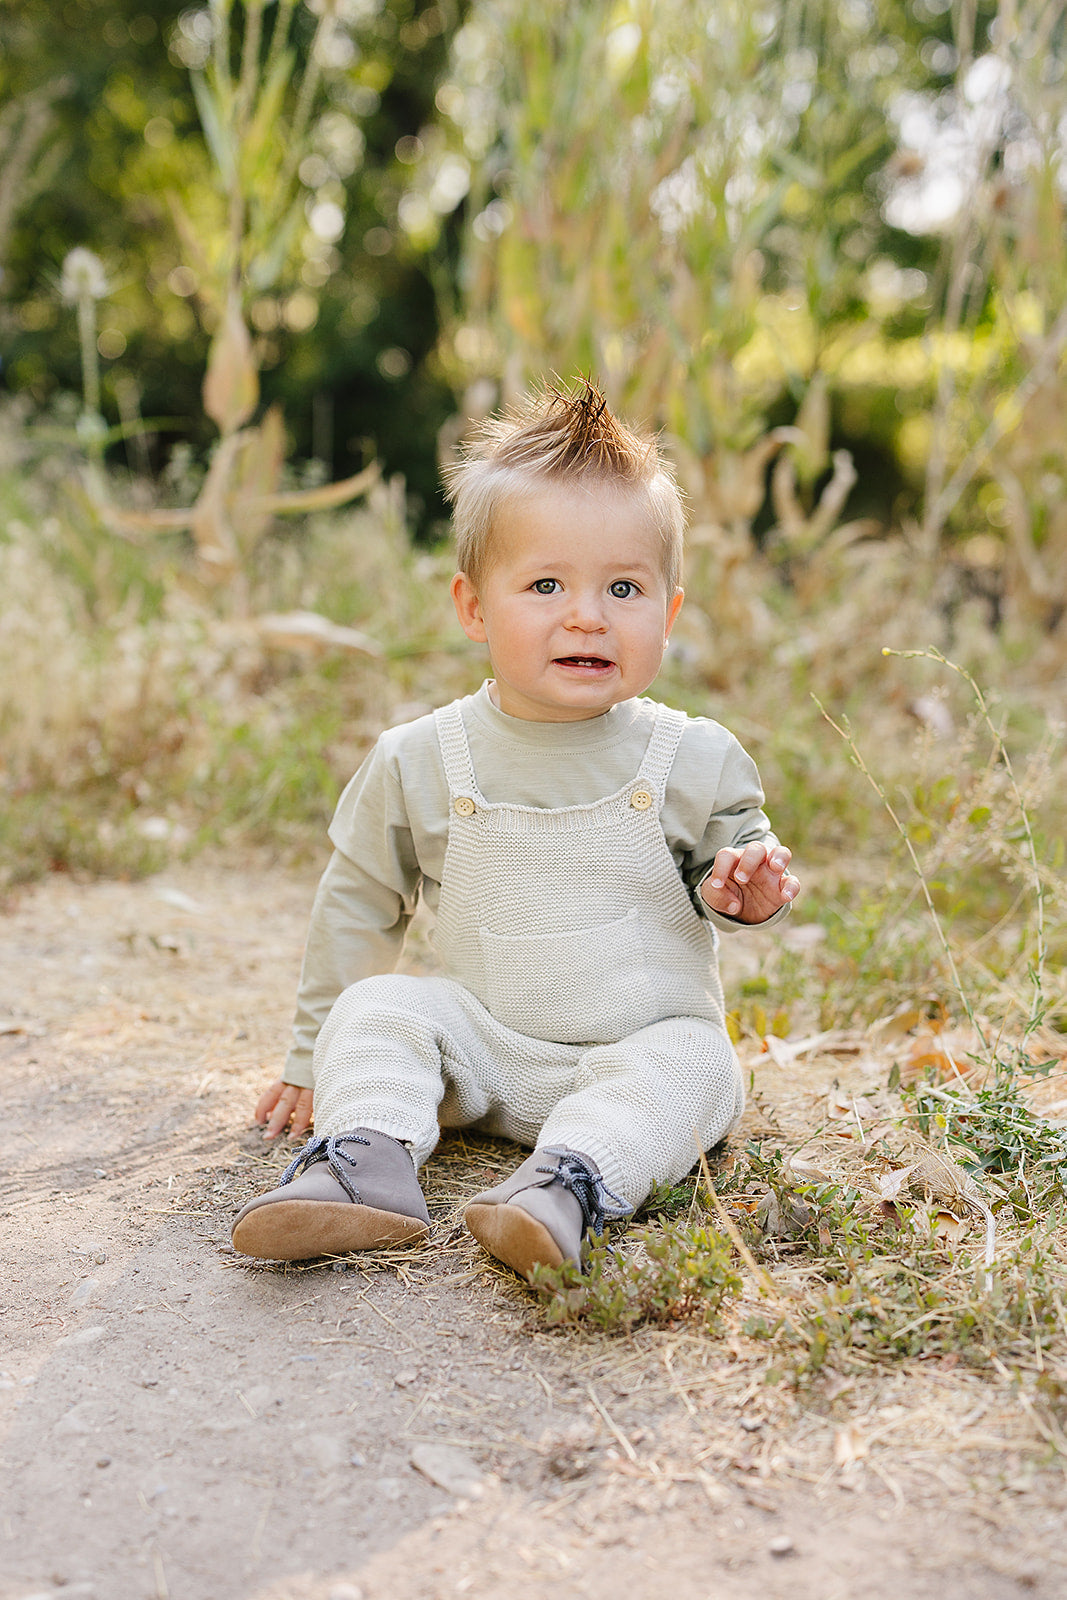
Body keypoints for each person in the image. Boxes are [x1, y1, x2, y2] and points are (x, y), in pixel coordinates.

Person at [232, 379, 800, 1277]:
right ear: (473, 608)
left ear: (670, 613)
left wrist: (748, 890)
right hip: (482, 1050)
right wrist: (311, 1056)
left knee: (702, 1068)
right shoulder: (419, 757)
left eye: (624, 587)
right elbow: (358, 905)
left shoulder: (693, 757)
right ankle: (365, 1163)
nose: (587, 614)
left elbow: (732, 871)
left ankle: (563, 1187)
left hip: (637, 1042)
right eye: (544, 584)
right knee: (378, 1007)